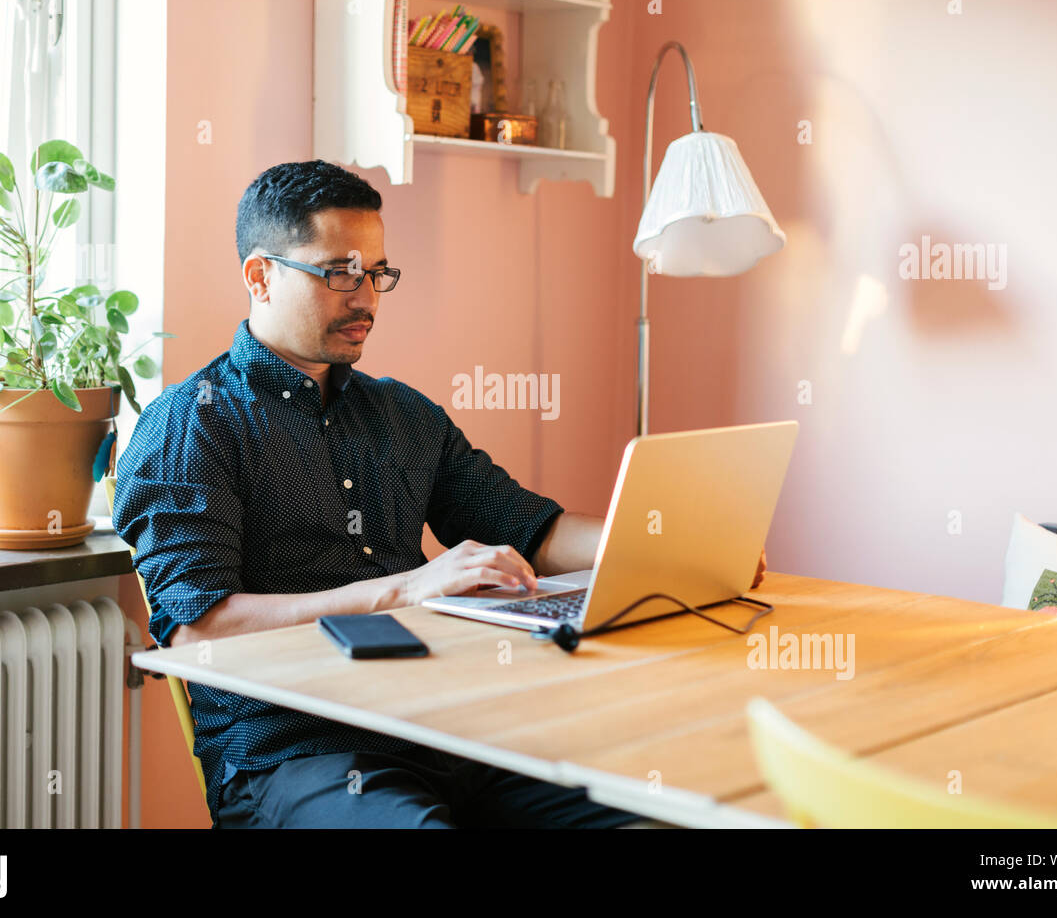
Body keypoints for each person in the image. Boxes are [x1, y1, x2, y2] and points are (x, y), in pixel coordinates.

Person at [112, 159, 765, 828]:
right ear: (260, 275)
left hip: (446, 726)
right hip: (293, 754)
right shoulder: (192, 424)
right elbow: (198, 632)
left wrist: (669, 547)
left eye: (377, 273)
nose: (365, 298)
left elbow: (530, 531)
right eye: (339, 272)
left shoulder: (402, 414)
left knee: (653, 811)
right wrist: (405, 590)